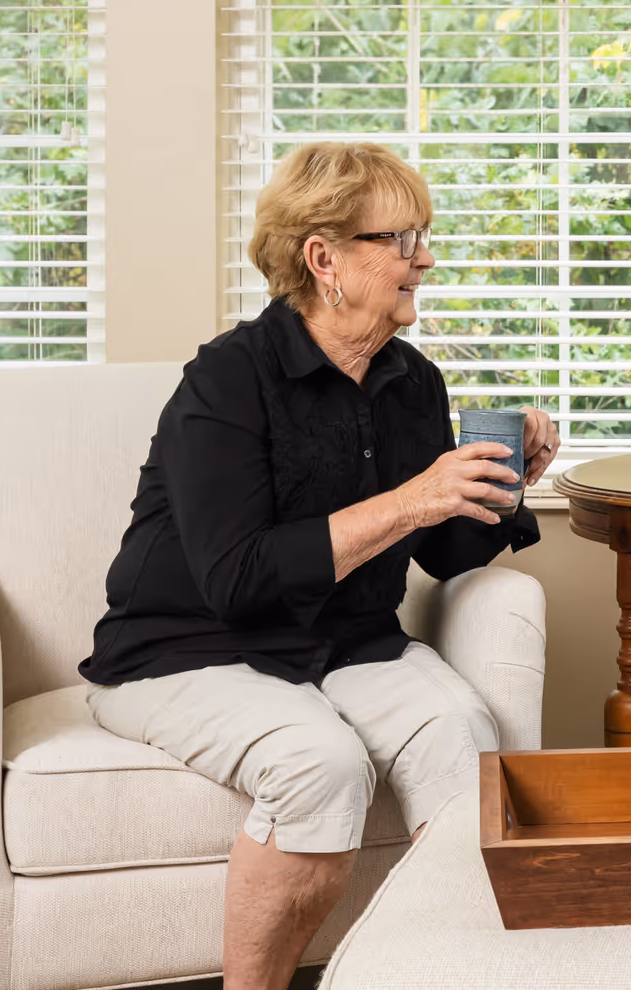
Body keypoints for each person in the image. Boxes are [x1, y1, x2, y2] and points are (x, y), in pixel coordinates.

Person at [79, 142, 559, 990]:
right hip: (191, 647)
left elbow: (439, 551)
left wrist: (499, 482)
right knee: (319, 764)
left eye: (425, 237)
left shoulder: (412, 380)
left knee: (463, 747)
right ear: (323, 257)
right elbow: (237, 576)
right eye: (403, 239)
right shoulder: (227, 379)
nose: (426, 258)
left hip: (345, 641)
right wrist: (416, 494)